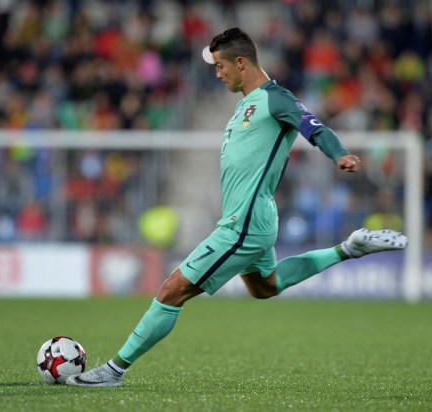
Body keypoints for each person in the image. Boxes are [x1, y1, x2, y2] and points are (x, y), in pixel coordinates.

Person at [67, 27, 407, 387]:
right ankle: (348, 249)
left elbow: (313, 126)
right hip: (252, 218)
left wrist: (338, 155)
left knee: (172, 290)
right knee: (265, 286)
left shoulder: (275, 98)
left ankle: (114, 370)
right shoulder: (246, 103)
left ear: (240, 62)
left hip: (243, 224)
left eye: (220, 66)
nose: (217, 74)